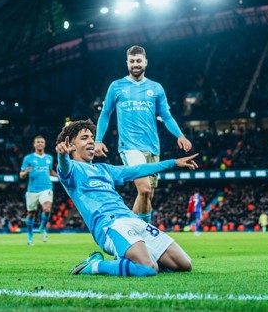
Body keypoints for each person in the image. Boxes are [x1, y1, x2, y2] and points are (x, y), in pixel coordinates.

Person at [56, 119, 196, 277]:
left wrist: (174, 162)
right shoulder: (72, 170)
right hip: (111, 225)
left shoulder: (105, 169)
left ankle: (129, 257)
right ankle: (95, 265)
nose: (91, 141)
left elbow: (138, 170)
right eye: (84, 138)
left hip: (134, 220)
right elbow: (64, 167)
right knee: (148, 269)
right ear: (71, 145)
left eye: (91, 137)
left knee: (184, 265)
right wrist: (62, 156)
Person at [95, 45, 192, 225]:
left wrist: (180, 135)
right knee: (145, 189)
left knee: (147, 196)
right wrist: (98, 140)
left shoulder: (156, 88)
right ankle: (146, 235)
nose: (135, 64)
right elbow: (105, 114)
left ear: (146, 62)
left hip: (153, 147)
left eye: (139, 60)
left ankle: (130, 231)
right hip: (129, 146)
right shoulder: (116, 86)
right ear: (127, 63)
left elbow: (166, 116)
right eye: (132, 61)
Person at [19, 135, 54, 245]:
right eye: (37, 142)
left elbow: (50, 171)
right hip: (32, 190)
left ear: (44, 144)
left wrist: (61, 176)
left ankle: (42, 227)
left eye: (42, 142)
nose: (40, 143)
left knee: (47, 209)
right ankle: (30, 235)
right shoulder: (28, 158)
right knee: (30, 214)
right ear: (34, 144)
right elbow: (21, 175)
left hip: (46, 187)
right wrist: (25, 173)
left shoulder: (49, 158)